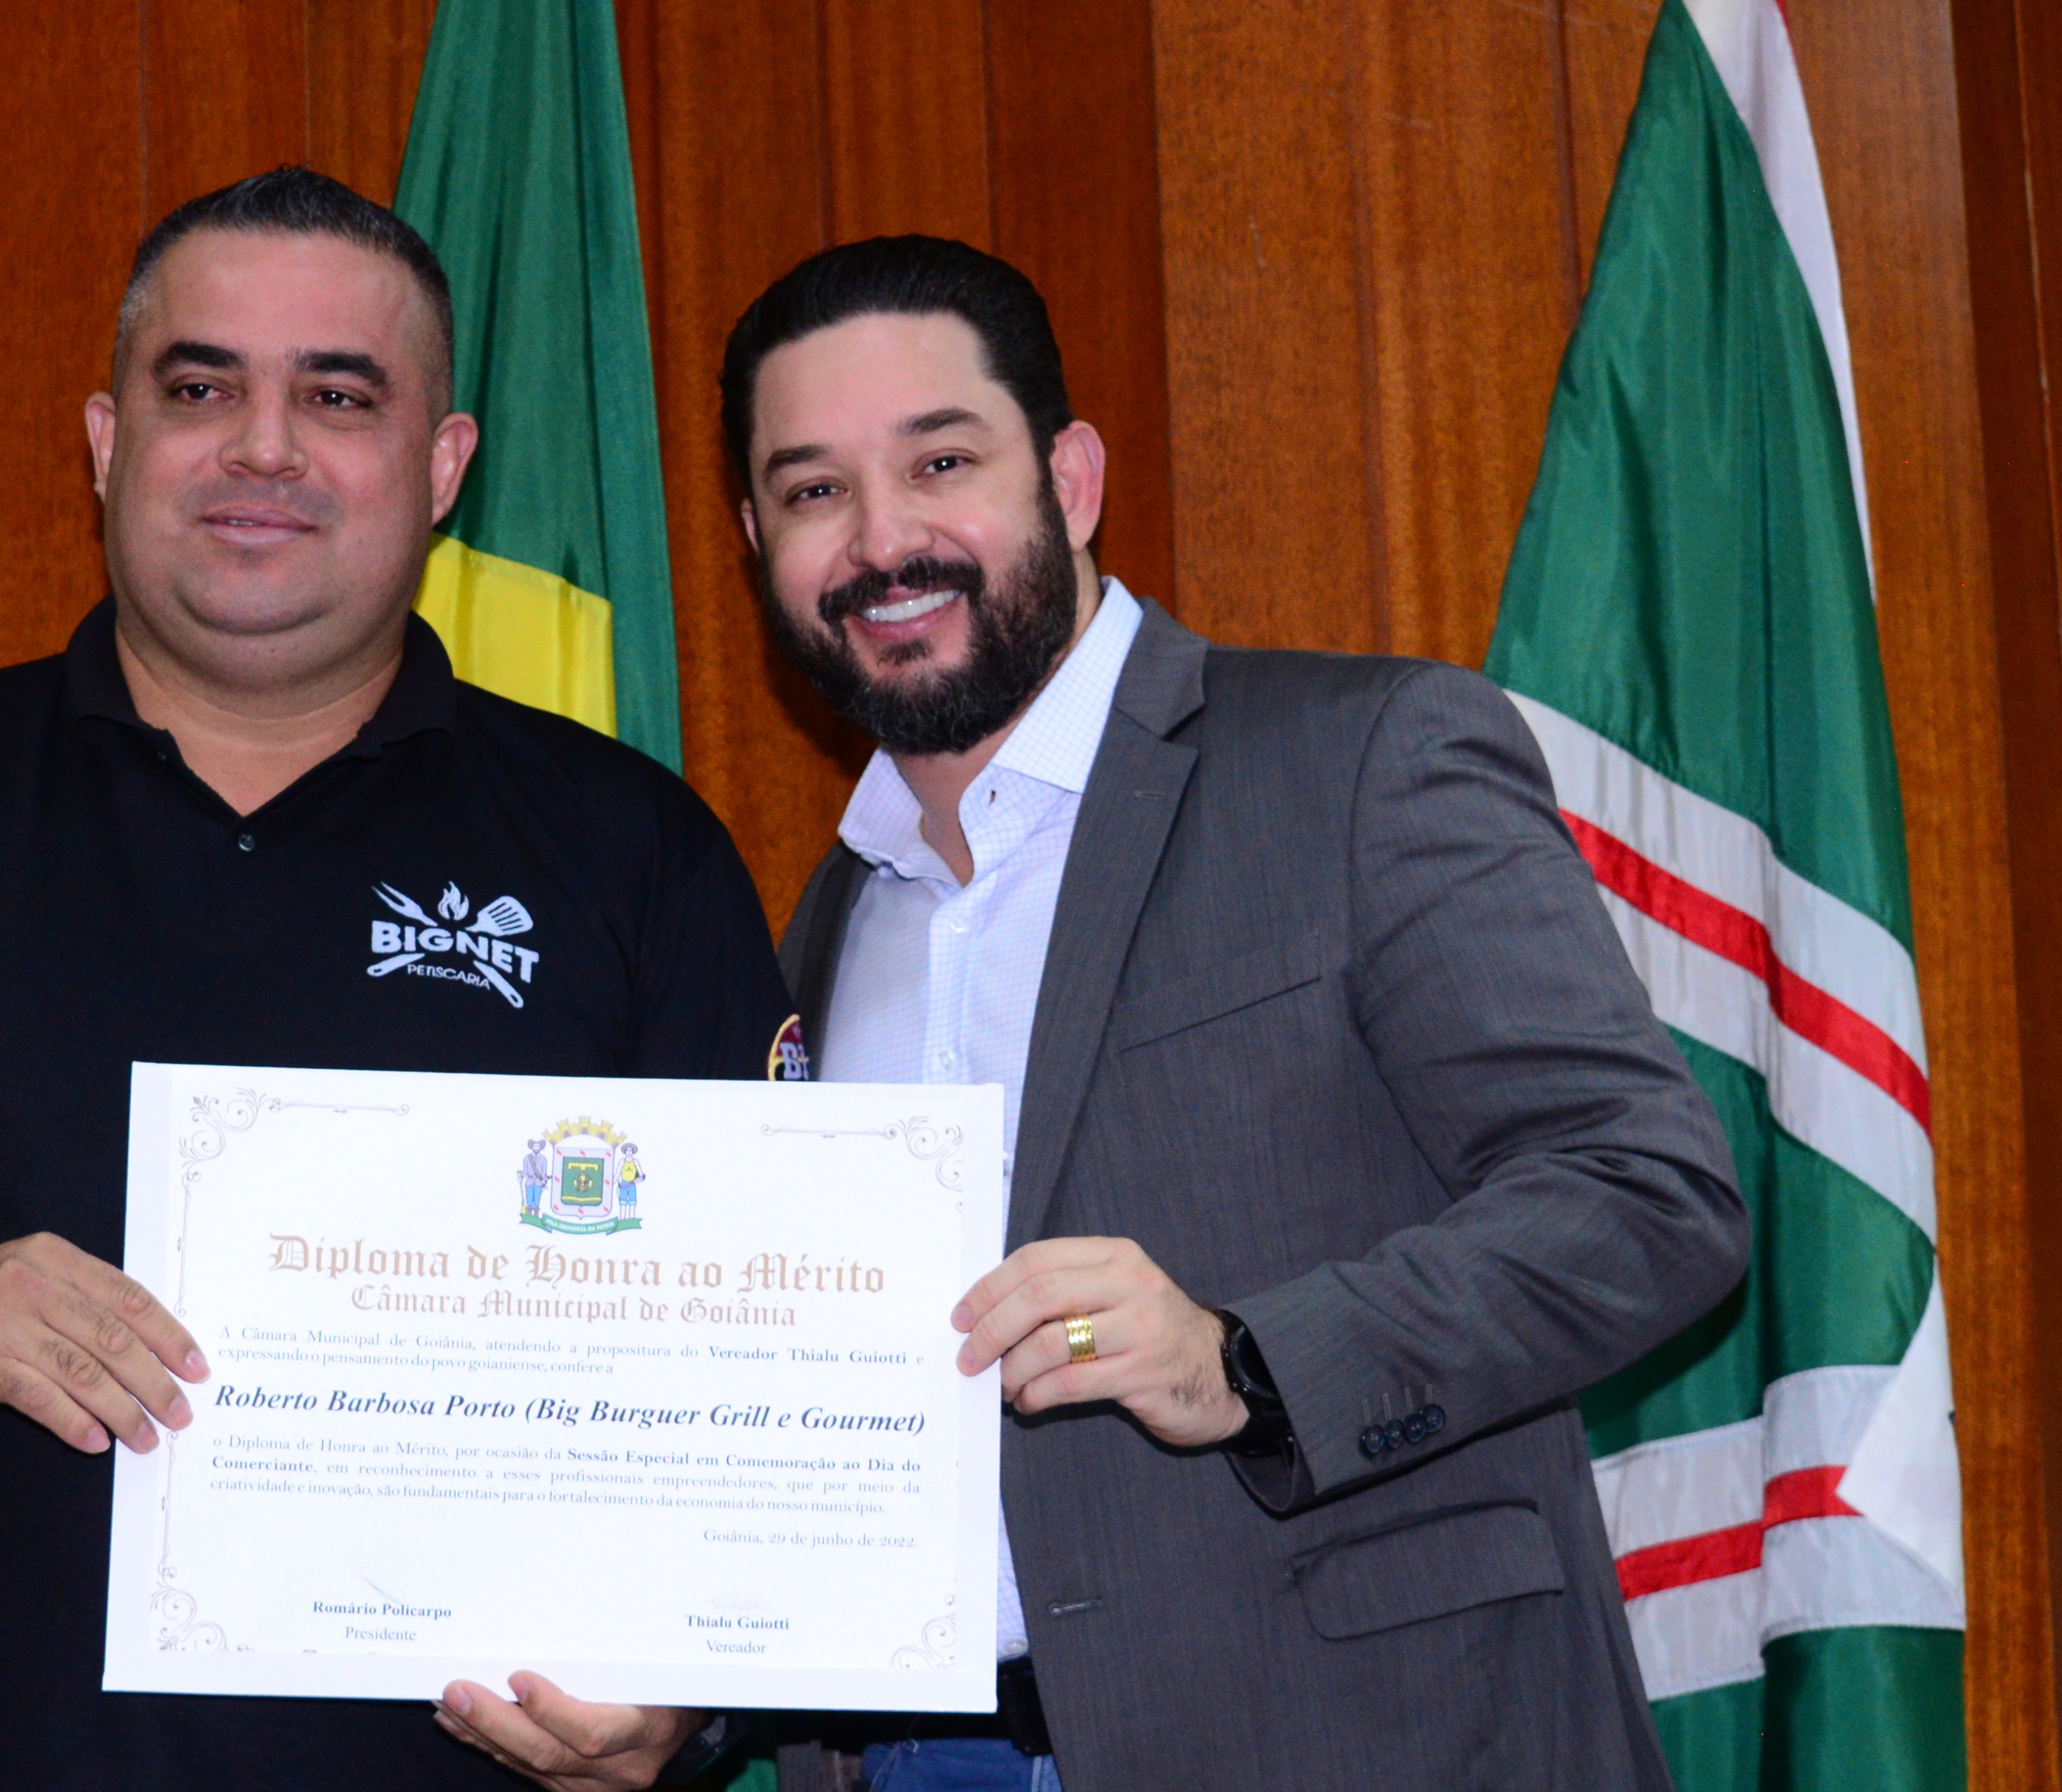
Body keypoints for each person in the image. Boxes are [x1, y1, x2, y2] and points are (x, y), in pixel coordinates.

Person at [0, 167, 775, 1792]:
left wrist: (688, 1704)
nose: (265, 447)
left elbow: (757, 1370)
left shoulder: (634, 851)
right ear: (109, 440)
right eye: (200, 388)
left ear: (444, 465)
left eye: (339, 395)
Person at [727, 236, 1749, 1791]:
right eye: (814, 490)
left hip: (1359, 1743)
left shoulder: (1364, 759)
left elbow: (1649, 1198)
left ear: (1070, 480)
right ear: (759, 542)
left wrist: (1245, 1362)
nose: (882, 538)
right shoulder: (827, 923)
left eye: (940, 460)